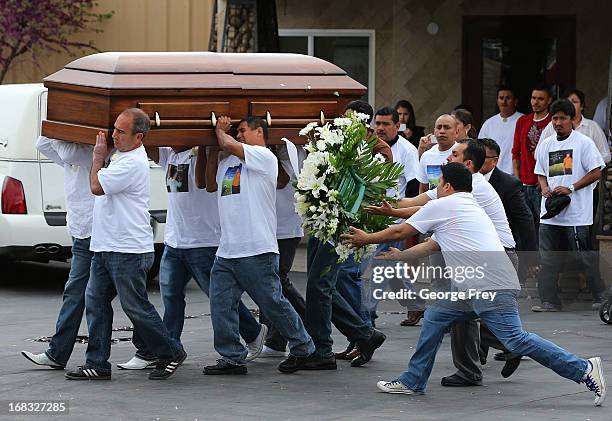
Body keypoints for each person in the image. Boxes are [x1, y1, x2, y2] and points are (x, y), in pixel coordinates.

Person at [343, 162, 606, 407]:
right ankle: (413, 380)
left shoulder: (446, 204)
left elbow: (402, 231)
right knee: (435, 316)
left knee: (516, 340)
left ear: (447, 186)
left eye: (438, 184)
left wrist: (367, 239)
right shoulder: (468, 207)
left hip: (489, 285)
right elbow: (430, 245)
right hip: (478, 286)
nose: (435, 189)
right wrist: (399, 256)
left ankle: (583, 369)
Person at [116, 144, 267, 370]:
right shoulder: (170, 153)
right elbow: (148, 142)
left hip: (203, 240)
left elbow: (204, 183)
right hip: (174, 240)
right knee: (171, 299)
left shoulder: (204, 152)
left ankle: (253, 331)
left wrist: (205, 146)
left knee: (218, 298)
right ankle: (169, 349)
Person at [65, 108, 186, 381]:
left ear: (139, 137)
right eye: (115, 128)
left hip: (127, 249)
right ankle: (97, 363)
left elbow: (96, 187)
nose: (113, 135)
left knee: (136, 307)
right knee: (95, 302)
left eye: (121, 131)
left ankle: (170, 351)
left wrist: (97, 157)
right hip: (106, 246)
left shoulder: (132, 162)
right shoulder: (121, 156)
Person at [204, 116, 317, 375]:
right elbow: (210, 184)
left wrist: (219, 132)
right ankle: (232, 356)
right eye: (237, 131)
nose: (239, 135)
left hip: (257, 249)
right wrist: (209, 149)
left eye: (243, 130)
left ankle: (304, 348)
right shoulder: (228, 161)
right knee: (220, 304)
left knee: (273, 304)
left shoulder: (264, 157)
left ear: (260, 132)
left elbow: (231, 145)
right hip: (228, 250)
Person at [21, 137, 95, 369]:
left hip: (94, 233)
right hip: (81, 230)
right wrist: (56, 124)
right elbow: (41, 144)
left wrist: (62, 129)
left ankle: (158, 349)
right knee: (82, 295)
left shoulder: (91, 151)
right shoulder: (74, 150)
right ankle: (58, 354)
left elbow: (67, 154)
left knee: (84, 295)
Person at [532, 99, 606, 312]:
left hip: (576, 213)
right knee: (548, 258)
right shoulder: (546, 144)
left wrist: (571, 188)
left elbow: (596, 171)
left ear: (571, 119)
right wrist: (544, 187)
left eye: (562, 118)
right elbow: (540, 172)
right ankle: (549, 300)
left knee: (584, 257)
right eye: (554, 118)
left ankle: (600, 295)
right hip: (550, 212)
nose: (558, 122)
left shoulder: (584, 143)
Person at [256, 142, 308, 358]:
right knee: (268, 281)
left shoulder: (292, 149)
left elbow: (281, 179)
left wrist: (268, 149)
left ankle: (304, 324)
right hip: (268, 224)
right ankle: (275, 338)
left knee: (277, 280)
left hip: (285, 226)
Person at [512, 85, 553, 245]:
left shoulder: (552, 122)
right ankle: (529, 263)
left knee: (543, 225)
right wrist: (516, 179)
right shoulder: (523, 121)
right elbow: (515, 153)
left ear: (549, 100)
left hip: (542, 185)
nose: (536, 102)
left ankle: (544, 262)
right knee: (524, 226)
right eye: (533, 98)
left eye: (540, 98)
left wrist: (544, 179)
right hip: (523, 183)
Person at [540, 89, 610, 164]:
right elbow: (539, 153)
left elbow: (606, 155)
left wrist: (588, 163)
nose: (570, 105)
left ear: (582, 106)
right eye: (567, 102)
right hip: (558, 172)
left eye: (574, 102)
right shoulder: (552, 125)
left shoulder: (592, 127)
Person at [478, 87, 524, 174]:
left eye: (508, 98)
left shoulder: (523, 120)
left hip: (516, 173)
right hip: (492, 173)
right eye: (501, 98)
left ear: (515, 101)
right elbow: (480, 149)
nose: (504, 101)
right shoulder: (489, 123)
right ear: (497, 101)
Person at [416, 114, 458, 193]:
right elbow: (423, 189)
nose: (442, 131)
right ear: (434, 131)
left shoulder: (463, 154)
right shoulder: (426, 156)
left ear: (456, 132)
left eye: (447, 127)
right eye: (439, 127)